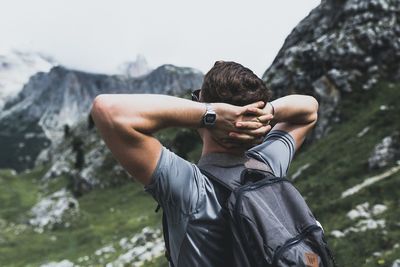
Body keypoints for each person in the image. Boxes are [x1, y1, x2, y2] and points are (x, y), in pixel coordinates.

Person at [90, 61, 319, 267]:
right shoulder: (267, 164)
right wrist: (265, 112)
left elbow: (107, 110)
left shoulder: (192, 189)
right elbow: (309, 109)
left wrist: (210, 114)